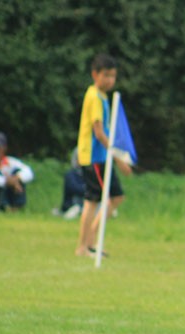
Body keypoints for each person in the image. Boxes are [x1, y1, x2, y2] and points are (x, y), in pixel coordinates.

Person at [75, 53, 130, 257]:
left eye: (113, 76)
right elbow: (98, 132)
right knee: (93, 201)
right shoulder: (94, 97)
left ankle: (90, 241)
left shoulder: (103, 97)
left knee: (115, 197)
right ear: (95, 74)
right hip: (93, 157)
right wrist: (118, 158)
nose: (110, 80)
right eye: (106, 75)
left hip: (101, 158)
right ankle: (84, 246)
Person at [52, 149, 85, 220]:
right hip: (71, 205)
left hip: (84, 204)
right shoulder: (70, 175)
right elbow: (75, 189)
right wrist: (88, 190)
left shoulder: (88, 174)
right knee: (76, 208)